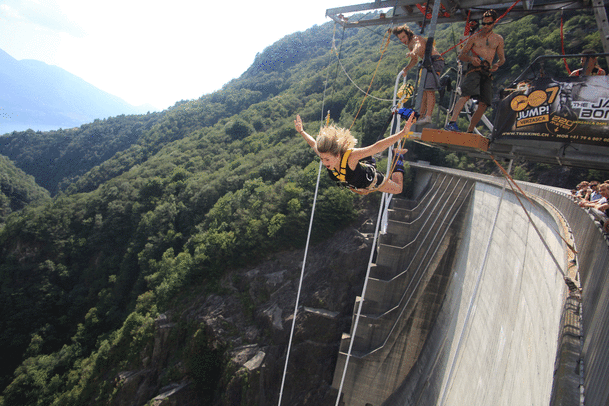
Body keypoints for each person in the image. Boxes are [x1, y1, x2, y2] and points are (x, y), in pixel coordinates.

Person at [294, 113, 416, 194]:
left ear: (337, 155)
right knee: (366, 160)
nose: (324, 163)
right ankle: (375, 159)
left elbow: (376, 147)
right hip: (359, 179)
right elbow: (313, 143)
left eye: (327, 160)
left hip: (371, 179)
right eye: (322, 159)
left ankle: (398, 155)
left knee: (398, 189)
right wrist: (302, 131)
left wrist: (402, 134)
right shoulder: (326, 154)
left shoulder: (350, 157)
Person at [445, 10, 505, 133]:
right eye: (484, 23)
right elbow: (461, 55)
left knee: (485, 102)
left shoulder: (498, 39)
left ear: (494, 23)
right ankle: (452, 122)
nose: (485, 26)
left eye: (488, 24)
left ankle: (470, 130)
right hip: (474, 70)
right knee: (465, 95)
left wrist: (497, 64)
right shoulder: (474, 38)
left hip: (487, 72)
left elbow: (502, 58)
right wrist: (472, 58)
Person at [391, 25, 445, 125]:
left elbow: (418, 46)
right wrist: (406, 69)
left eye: (403, 37)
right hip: (428, 63)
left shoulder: (416, 39)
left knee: (429, 90)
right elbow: (414, 60)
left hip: (434, 61)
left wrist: (413, 52)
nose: (402, 40)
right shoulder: (409, 44)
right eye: (400, 39)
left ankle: (428, 116)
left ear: (408, 34)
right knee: (423, 91)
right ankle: (421, 116)